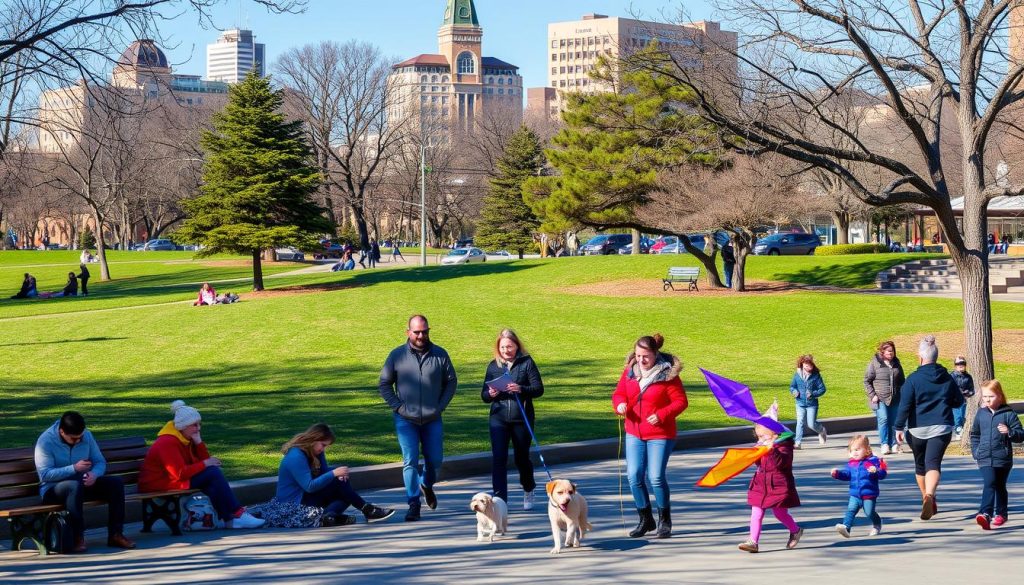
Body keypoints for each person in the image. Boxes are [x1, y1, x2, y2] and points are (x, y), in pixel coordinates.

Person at [379, 314, 458, 521]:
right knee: (410, 461)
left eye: (424, 331)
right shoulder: (396, 355)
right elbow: (384, 384)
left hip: (432, 418)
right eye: (416, 332)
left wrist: (440, 407)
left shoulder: (440, 354)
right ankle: (413, 503)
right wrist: (398, 408)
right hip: (406, 420)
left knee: (435, 461)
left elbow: (451, 382)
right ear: (408, 332)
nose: (421, 335)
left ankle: (426, 484)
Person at [138, 401, 264, 529]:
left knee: (212, 479)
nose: (198, 428)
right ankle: (236, 514)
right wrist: (205, 463)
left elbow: (204, 463)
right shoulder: (167, 442)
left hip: (172, 480)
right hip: (159, 483)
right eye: (194, 425)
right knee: (212, 473)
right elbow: (180, 474)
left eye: (199, 424)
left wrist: (199, 443)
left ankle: (231, 519)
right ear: (183, 426)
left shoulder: (186, 438)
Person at [612, 333, 688, 539]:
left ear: (655, 354)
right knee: (634, 475)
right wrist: (619, 404)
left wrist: (662, 414)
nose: (641, 360)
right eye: (638, 356)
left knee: (655, 476)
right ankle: (645, 519)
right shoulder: (629, 372)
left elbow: (681, 402)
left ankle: (665, 520)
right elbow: (619, 393)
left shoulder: (667, 375)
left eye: (645, 356)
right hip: (634, 431)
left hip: (660, 433)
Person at [33, 411, 135, 552]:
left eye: (80, 437)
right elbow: (45, 475)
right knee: (73, 486)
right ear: (62, 432)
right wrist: (73, 468)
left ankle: (116, 534)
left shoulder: (86, 435)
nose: (79, 441)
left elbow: (100, 462)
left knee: (115, 483)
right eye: (74, 439)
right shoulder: (46, 441)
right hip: (53, 489)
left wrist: (94, 474)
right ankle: (77, 537)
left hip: (82, 484)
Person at [893, 335, 963, 521]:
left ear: (921, 357)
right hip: (941, 428)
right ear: (936, 357)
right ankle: (930, 496)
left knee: (920, 464)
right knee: (933, 463)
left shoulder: (913, 379)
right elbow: (958, 401)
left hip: (917, 429)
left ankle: (925, 496)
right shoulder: (947, 378)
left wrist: (899, 428)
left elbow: (905, 405)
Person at [275, 423, 394, 525]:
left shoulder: (314, 451)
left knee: (344, 487)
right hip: (293, 504)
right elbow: (309, 486)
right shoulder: (296, 456)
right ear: (313, 439)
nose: (323, 449)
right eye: (323, 445)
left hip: (305, 497)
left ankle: (329, 516)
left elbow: (323, 471)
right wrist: (334, 473)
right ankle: (367, 510)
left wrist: (337, 472)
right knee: (342, 487)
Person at [482, 329, 545, 511]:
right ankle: (500, 500)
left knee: (521, 458)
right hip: (498, 418)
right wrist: (491, 393)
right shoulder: (493, 366)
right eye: (502, 347)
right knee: (499, 458)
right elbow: (484, 395)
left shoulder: (527, 363)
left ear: (517, 345)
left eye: (509, 346)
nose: (506, 350)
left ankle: (528, 487)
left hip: (521, 417)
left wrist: (521, 388)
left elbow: (538, 389)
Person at [738, 423, 802, 553]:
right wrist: (757, 453)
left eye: (762, 436)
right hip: (760, 484)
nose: (759, 440)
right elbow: (759, 464)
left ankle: (796, 530)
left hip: (778, 486)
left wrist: (770, 450)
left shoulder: (785, 447)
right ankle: (753, 542)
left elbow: (779, 464)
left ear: (775, 435)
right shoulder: (764, 445)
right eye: (758, 437)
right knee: (756, 513)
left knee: (780, 513)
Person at [970, 380, 1024, 530]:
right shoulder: (981, 413)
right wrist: (976, 451)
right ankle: (985, 513)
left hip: (1003, 458)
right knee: (990, 482)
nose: (987, 399)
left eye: (991, 396)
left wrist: (1010, 432)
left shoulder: (1008, 414)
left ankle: (1001, 514)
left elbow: (1020, 434)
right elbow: (974, 434)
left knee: (1000, 486)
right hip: (984, 457)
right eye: (985, 396)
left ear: (1000, 396)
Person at [830, 435, 887, 538]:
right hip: (855, 494)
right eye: (852, 450)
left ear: (867, 450)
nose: (854, 452)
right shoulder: (851, 464)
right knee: (850, 510)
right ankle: (846, 528)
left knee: (869, 512)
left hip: (869, 494)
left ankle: (877, 523)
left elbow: (882, 474)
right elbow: (847, 475)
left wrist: (876, 471)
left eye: (858, 449)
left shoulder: (872, 462)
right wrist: (837, 474)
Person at [864, 340, 906, 455]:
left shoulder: (897, 364)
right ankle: (884, 444)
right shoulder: (874, 363)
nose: (891, 353)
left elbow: (902, 381)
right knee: (883, 419)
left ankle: (894, 444)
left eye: (892, 351)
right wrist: (873, 395)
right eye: (888, 351)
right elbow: (867, 381)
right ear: (882, 352)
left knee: (893, 421)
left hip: (895, 398)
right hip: (880, 398)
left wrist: (904, 395)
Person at [789, 355, 827, 449]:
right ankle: (798, 443)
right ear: (802, 364)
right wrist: (794, 391)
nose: (808, 367)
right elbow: (792, 386)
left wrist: (813, 394)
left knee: (811, 424)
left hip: (812, 404)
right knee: (800, 422)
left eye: (810, 365)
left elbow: (822, 389)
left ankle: (821, 430)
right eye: (806, 365)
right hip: (800, 403)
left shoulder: (816, 376)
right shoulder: (797, 375)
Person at [950, 356, 975, 439]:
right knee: (958, 416)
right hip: (954, 401)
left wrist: (968, 393)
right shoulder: (951, 376)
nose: (960, 365)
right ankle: (958, 430)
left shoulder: (968, 377)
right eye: (958, 364)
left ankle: (961, 428)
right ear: (955, 365)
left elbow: (972, 389)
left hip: (963, 400)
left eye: (962, 364)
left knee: (962, 415)